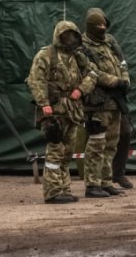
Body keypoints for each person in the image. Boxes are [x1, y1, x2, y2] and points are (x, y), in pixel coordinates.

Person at [27, 20, 99, 204]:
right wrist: (43, 103)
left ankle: (64, 189)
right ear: (59, 36)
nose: (71, 39)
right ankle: (52, 191)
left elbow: (93, 74)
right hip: (54, 111)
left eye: (74, 35)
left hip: (72, 111)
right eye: (66, 35)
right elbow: (36, 79)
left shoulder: (78, 57)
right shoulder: (47, 55)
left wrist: (81, 89)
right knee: (55, 150)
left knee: (67, 153)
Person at [79, 8, 130, 198]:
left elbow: (122, 63)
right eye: (98, 26)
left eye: (103, 25)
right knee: (96, 145)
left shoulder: (110, 43)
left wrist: (125, 80)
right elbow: (92, 72)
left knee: (111, 144)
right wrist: (115, 82)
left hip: (115, 102)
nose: (102, 28)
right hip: (97, 103)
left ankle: (106, 181)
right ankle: (92, 184)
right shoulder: (83, 47)